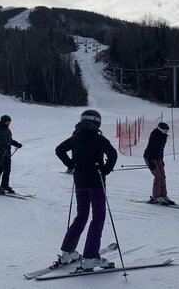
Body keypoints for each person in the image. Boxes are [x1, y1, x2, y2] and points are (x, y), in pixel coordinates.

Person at [55, 109, 118, 271]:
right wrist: (106, 169)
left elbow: (59, 150)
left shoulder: (75, 137)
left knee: (81, 216)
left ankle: (67, 252)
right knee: (98, 218)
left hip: (80, 182)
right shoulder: (98, 138)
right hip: (96, 182)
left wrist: (71, 164)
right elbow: (112, 154)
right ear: (97, 122)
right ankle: (90, 257)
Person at [0, 115, 22, 194]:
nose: (9, 123)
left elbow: (10, 140)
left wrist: (17, 144)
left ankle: (4, 185)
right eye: (7, 122)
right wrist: (4, 146)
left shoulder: (8, 130)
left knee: (7, 170)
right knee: (0, 169)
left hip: (7, 153)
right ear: (3, 121)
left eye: (9, 122)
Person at [143, 122, 173, 205]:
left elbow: (161, 149)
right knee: (158, 176)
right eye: (165, 130)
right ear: (160, 129)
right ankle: (156, 196)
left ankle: (163, 195)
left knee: (163, 176)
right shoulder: (154, 135)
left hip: (157, 157)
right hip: (150, 157)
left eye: (167, 130)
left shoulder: (164, 137)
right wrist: (150, 163)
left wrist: (161, 160)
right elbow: (149, 149)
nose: (166, 132)